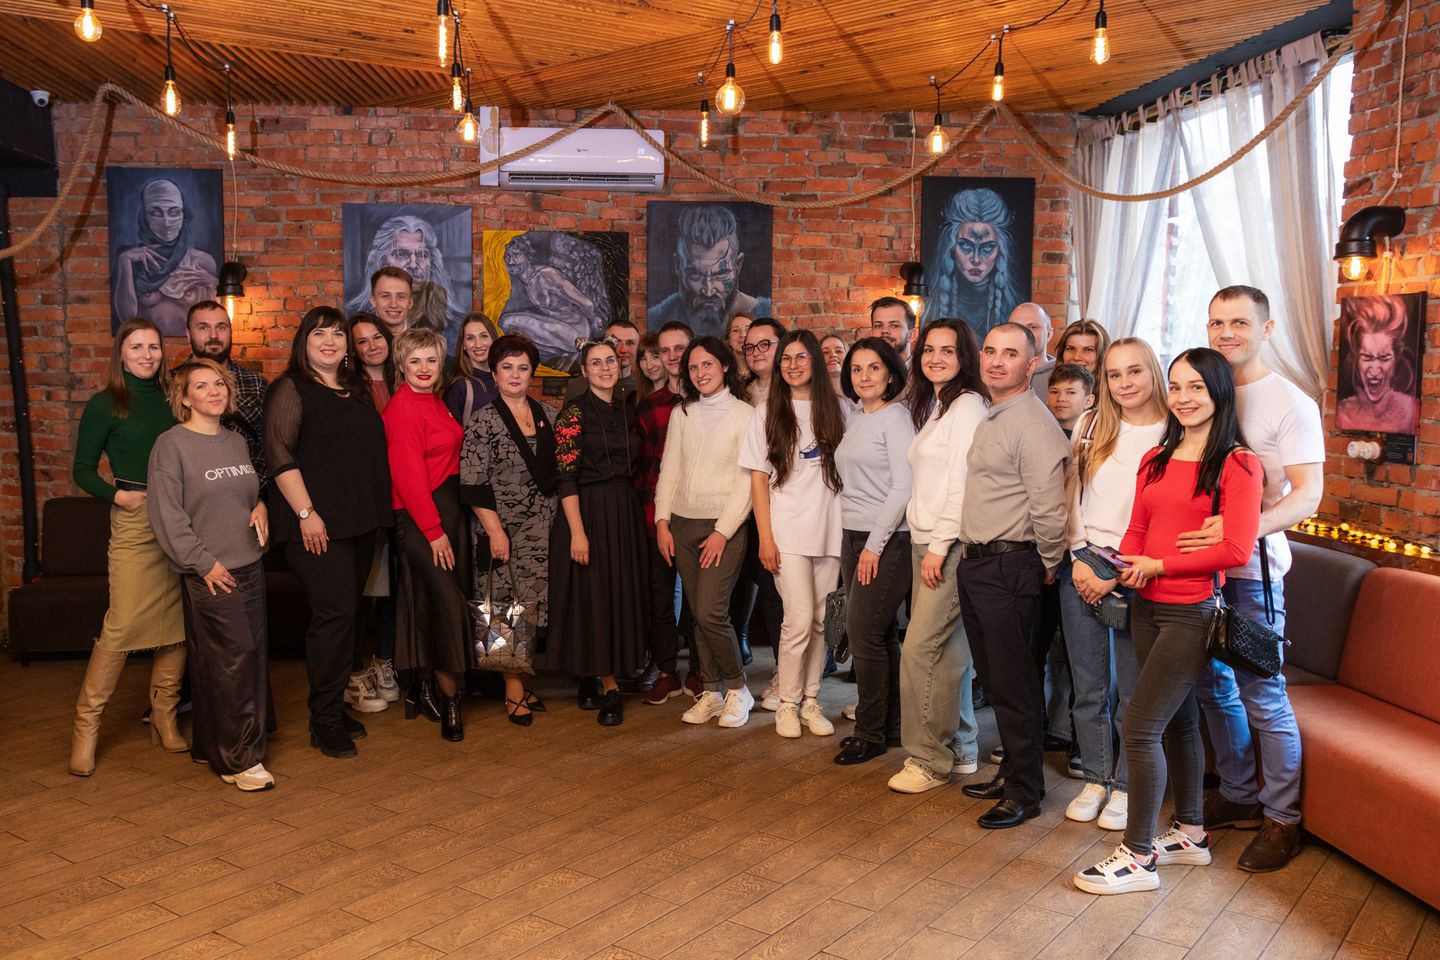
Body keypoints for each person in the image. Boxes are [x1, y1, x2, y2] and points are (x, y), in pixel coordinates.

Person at [1074, 347, 1263, 895]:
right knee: (1178, 721)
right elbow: (1137, 529)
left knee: (1139, 725)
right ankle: (1192, 834)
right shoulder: (1156, 457)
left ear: (1218, 392)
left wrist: (1160, 565)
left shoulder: (1238, 463)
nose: (1183, 398)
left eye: (1196, 387)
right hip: (1145, 604)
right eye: (1176, 387)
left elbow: (1235, 548)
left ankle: (1138, 858)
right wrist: (1121, 568)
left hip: (1191, 610)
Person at [1190, 285, 1324, 872]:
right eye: (1217, 322)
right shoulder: (1204, 389)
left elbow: (1309, 495)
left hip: (1252, 575)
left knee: (1264, 696)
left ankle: (1282, 819)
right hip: (1199, 572)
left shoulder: (1291, 402)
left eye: (1239, 323)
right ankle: (1239, 794)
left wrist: (1241, 531)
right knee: (1211, 688)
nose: (1226, 333)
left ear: (1266, 329)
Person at [955, 322, 1070, 829]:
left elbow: (1050, 507)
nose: (996, 361)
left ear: (1032, 364)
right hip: (981, 564)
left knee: (1016, 683)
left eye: (1010, 353)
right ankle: (1013, 774)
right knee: (999, 682)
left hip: (1011, 565)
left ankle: (1026, 791)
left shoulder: (1031, 422)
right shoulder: (997, 414)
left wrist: (1046, 563)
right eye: (990, 351)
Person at [265, 306, 392, 759]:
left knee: (349, 617)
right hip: (315, 526)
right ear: (304, 342)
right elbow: (279, 454)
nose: (330, 341)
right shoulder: (290, 388)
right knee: (334, 617)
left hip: (359, 522)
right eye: (319, 334)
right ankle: (324, 722)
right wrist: (306, 513)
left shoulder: (354, 389)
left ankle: (333, 705)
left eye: (338, 334)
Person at [147, 359, 273, 791]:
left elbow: (243, 494)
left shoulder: (235, 441)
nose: (214, 391)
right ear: (184, 399)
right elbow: (167, 515)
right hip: (212, 571)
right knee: (233, 661)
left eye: (219, 383)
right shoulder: (171, 445)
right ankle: (240, 760)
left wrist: (260, 505)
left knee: (239, 659)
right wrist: (203, 564)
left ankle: (211, 745)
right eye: (201, 386)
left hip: (249, 563)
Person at [68, 317, 186, 777]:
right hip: (136, 519)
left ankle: (164, 717)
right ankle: (86, 728)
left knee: (178, 623)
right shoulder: (106, 404)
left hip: (180, 517)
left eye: (153, 347)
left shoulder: (175, 398)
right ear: (121, 353)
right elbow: (82, 470)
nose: (146, 355)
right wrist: (118, 496)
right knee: (121, 624)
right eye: (137, 347)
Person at [1058, 338, 1168, 831]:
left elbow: (1168, 514)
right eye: (1115, 374)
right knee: (1089, 687)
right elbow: (1071, 495)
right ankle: (1096, 778)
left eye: (1135, 371)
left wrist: (1120, 573)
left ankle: (1126, 786)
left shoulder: (1174, 431)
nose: (1125, 383)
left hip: (1137, 571)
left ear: (1154, 373)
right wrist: (1078, 556)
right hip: (1083, 563)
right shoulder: (1091, 423)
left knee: (1134, 691)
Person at [886, 321, 987, 791]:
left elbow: (963, 485)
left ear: (964, 356)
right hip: (926, 539)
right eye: (929, 350)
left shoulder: (967, 406)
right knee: (949, 652)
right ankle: (962, 746)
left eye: (948, 350)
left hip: (945, 544)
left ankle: (927, 759)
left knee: (920, 649)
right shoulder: (940, 404)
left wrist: (940, 546)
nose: (936, 358)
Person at [740, 329, 846, 739]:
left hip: (831, 530)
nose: (793, 365)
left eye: (801, 357)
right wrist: (766, 538)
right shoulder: (766, 412)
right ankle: (787, 702)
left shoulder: (841, 409)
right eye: (786, 358)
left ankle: (811, 699)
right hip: (787, 532)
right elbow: (757, 481)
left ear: (815, 361)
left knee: (822, 620)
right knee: (798, 620)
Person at [654, 337, 756, 727]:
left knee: (712, 611)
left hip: (723, 527)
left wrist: (723, 531)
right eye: (693, 367)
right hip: (682, 524)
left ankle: (739, 689)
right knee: (698, 614)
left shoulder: (746, 415)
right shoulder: (682, 413)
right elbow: (670, 469)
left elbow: (748, 482)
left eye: (707, 364)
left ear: (725, 366)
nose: (700, 373)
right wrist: (662, 521)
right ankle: (711, 692)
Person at [550, 338, 650, 726]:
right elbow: (565, 477)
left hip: (623, 511)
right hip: (588, 511)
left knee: (618, 594)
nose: (605, 368)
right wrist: (577, 532)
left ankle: (600, 674)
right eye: (596, 362)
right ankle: (607, 686)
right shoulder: (572, 413)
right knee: (594, 597)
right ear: (584, 371)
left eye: (610, 361)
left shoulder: (627, 410)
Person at [460, 335, 556, 726]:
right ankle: (513, 692)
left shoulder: (548, 414)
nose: (515, 375)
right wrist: (495, 532)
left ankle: (523, 682)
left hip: (543, 532)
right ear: (495, 373)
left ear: (532, 373)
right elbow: (473, 483)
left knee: (530, 609)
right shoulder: (482, 421)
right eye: (507, 367)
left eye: (522, 368)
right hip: (501, 531)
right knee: (503, 609)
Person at [383, 327, 472, 742]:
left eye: (431, 360)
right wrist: (434, 532)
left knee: (432, 602)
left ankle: (426, 689)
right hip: (424, 520)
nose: (423, 368)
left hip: (446, 513)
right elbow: (408, 477)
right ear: (401, 366)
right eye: (414, 360)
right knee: (444, 606)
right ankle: (451, 701)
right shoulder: (402, 408)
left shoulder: (435, 401)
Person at [833, 338, 914, 765]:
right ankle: (892, 726)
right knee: (879, 636)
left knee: (862, 635)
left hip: (886, 539)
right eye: (857, 368)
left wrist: (874, 545)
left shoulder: (896, 418)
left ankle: (869, 733)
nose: (864, 376)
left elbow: (903, 486)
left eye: (874, 368)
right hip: (853, 534)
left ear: (890, 374)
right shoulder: (855, 417)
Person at [635, 322, 696, 704]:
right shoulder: (650, 407)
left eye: (679, 349)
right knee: (660, 599)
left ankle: (701, 671)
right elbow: (643, 470)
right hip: (656, 514)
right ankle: (667, 671)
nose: (672, 357)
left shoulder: (710, 402)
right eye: (665, 350)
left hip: (698, 516)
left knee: (699, 601)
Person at [348, 314, 400, 709]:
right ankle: (354, 673)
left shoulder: (406, 380)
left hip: (404, 499)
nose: (371, 346)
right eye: (362, 341)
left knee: (394, 588)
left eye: (377, 337)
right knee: (364, 590)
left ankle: (385, 662)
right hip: (365, 500)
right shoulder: (349, 389)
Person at [112, 178, 218, 335]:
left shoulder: (202, 261)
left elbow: (217, 317)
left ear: (183, 215)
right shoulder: (133, 260)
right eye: (156, 213)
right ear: (144, 217)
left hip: (191, 346)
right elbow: (127, 319)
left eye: (174, 212)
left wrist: (213, 282)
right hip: (147, 345)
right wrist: (125, 261)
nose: (166, 222)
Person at [647, 205, 773, 337]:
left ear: (738, 265)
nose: (708, 291)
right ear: (677, 265)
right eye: (695, 275)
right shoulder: (656, 319)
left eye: (721, 274)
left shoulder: (763, 314)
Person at [183, 300, 269, 486]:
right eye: (203, 327)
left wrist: (256, 495)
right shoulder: (171, 383)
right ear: (188, 334)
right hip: (188, 494)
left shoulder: (256, 384)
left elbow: (271, 448)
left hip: (248, 494)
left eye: (221, 327)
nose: (213, 335)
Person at [921, 187, 1025, 336]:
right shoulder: (930, 305)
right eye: (966, 246)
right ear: (951, 247)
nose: (976, 259)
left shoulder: (1016, 307)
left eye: (987, 247)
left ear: (1000, 250)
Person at [347, 215, 462, 341]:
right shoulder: (354, 321)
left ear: (432, 262)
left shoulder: (454, 325)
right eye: (400, 254)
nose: (413, 264)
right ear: (381, 261)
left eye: (421, 254)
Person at [1335, 294, 1419, 433]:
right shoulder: (1343, 413)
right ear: (1356, 358)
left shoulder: (1410, 411)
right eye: (1367, 357)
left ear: (1396, 358)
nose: (1374, 371)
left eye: (1384, 358)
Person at [445, 312, 500, 426]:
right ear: (463, 345)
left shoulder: (504, 380)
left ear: (493, 339)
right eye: (470, 338)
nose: (478, 344)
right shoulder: (459, 387)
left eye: (484, 336)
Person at [1008, 303, 1056, 396]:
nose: (1024, 333)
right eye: (1016, 327)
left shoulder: (1064, 377)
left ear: (1049, 334)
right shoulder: (995, 373)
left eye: (1033, 327)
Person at [1046, 363, 1096, 436]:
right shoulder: (1036, 432)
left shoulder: (1099, 436)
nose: (1061, 399)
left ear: (1088, 401)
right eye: (1054, 392)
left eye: (1071, 393)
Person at [365, 266, 415, 338]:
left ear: (410, 303)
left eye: (401, 297)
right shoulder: (354, 339)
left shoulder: (425, 342)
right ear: (373, 301)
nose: (393, 305)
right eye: (385, 296)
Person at [869, 297, 918, 363]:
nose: (884, 330)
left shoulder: (924, 369)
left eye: (894, 326)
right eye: (878, 326)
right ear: (871, 333)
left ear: (911, 335)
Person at [634, 332, 666, 401]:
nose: (649, 366)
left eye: (655, 357)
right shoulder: (633, 399)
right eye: (643, 359)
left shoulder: (681, 396)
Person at [727, 313, 754, 379]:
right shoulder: (722, 373)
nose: (742, 335)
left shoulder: (767, 372)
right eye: (736, 330)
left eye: (748, 330)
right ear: (729, 339)